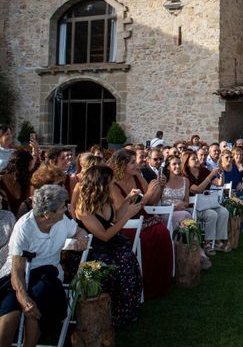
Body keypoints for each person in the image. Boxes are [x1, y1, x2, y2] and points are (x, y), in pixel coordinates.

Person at [0, 184, 88, 347]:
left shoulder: (62, 221)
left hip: (48, 274)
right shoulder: (24, 227)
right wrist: (23, 297)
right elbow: (17, 269)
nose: (66, 209)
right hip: (16, 275)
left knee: (41, 294)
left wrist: (82, 239)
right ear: (48, 214)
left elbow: (79, 232)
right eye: (63, 207)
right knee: (10, 303)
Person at [75, 165, 142, 326]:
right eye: (111, 181)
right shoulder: (83, 208)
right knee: (121, 264)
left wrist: (127, 200)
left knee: (128, 259)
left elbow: (115, 217)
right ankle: (115, 314)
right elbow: (104, 236)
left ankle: (127, 311)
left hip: (111, 245)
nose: (113, 183)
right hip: (93, 250)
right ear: (101, 183)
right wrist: (128, 217)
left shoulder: (106, 200)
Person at [108, 149, 172, 300]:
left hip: (144, 217)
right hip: (126, 222)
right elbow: (121, 212)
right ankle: (145, 285)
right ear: (121, 165)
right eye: (132, 162)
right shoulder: (113, 184)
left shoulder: (137, 177)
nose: (136, 165)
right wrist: (148, 193)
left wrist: (160, 187)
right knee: (146, 239)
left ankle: (161, 283)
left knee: (162, 232)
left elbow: (152, 201)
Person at [181, 150, 230, 255]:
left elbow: (219, 184)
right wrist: (210, 175)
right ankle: (207, 244)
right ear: (187, 163)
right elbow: (197, 189)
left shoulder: (203, 170)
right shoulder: (185, 176)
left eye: (196, 157)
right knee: (211, 214)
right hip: (194, 206)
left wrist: (221, 175)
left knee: (224, 211)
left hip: (208, 202)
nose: (197, 160)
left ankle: (217, 240)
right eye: (193, 158)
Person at [0, 150, 34, 217]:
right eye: (30, 165)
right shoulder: (1, 181)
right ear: (22, 166)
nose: (31, 169)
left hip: (21, 224)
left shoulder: (25, 182)